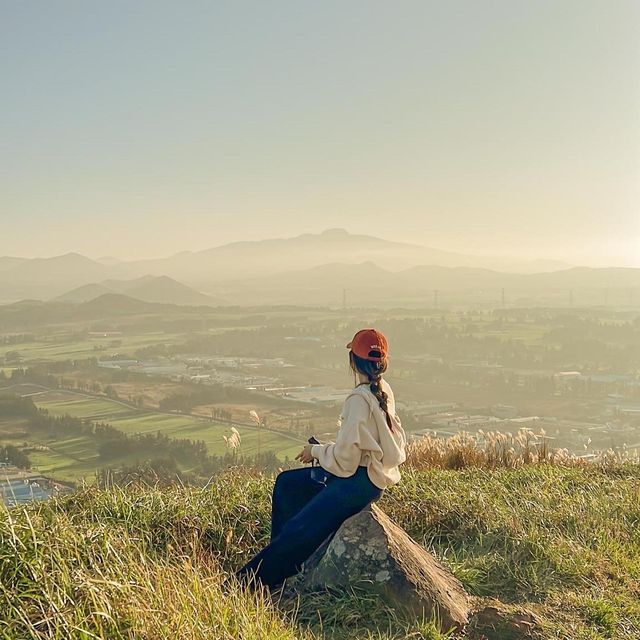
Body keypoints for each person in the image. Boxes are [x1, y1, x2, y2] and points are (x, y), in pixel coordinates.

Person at [235, 328, 407, 591]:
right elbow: (361, 447)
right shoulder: (383, 390)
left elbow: (346, 462)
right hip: (368, 480)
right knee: (288, 484)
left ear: (353, 361)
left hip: (356, 483)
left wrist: (316, 451)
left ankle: (245, 586)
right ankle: (284, 567)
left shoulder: (358, 401)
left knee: (299, 530)